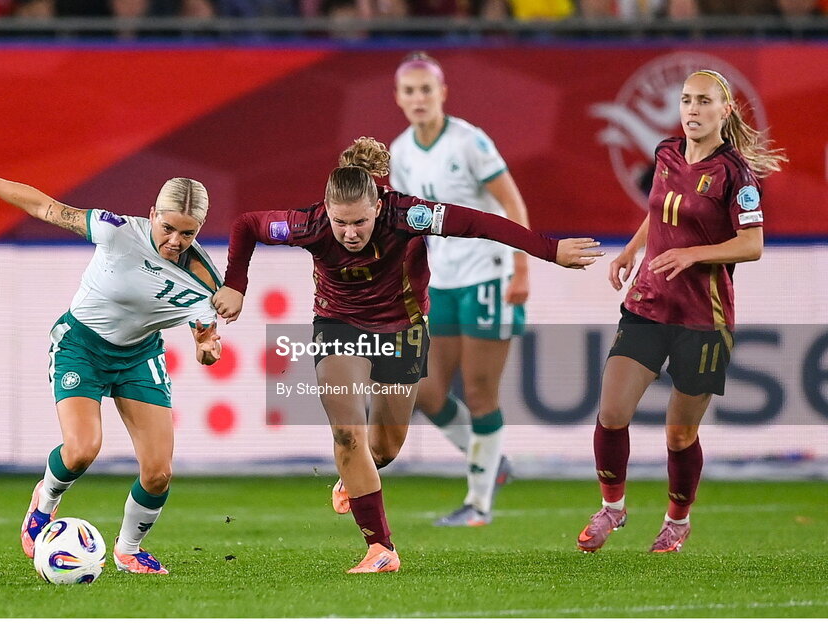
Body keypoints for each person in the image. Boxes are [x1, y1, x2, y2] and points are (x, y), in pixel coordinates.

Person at [212, 137, 601, 573]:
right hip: (338, 329)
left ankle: (355, 477)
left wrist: (548, 250)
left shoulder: (408, 214)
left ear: (378, 206)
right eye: (341, 223)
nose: (350, 233)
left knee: (384, 448)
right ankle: (381, 549)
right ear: (326, 209)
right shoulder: (307, 224)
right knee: (347, 432)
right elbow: (247, 224)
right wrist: (236, 284)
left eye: (359, 221)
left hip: (403, 332)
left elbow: (478, 224)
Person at [0, 137, 224, 574]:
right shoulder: (115, 230)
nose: (175, 240)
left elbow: (204, 334)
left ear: (199, 229)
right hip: (81, 345)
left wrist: (207, 347)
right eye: (167, 227)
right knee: (82, 449)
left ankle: (129, 549)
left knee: (158, 473)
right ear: (152, 214)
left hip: (138, 356)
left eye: (187, 232)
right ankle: (45, 500)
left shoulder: (205, 279)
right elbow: (44, 207)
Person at [576, 70, 786, 554]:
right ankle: (612, 508)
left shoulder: (736, 174)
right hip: (648, 304)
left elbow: (752, 244)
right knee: (611, 412)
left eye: (703, 101)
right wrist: (631, 252)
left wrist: (694, 253)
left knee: (679, 432)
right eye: (687, 100)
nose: (692, 109)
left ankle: (677, 520)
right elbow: (659, 211)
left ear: (724, 110)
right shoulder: (666, 153)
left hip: (703, 319)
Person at [390, 51, 529, 527]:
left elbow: (512, 204)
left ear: (442, 93)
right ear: (399, 98)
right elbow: (411, 225)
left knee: (480, 392)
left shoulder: (470, 142)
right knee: (426, 391)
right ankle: (492, 462)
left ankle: (478, 505)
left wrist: (522, 268)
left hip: (488, 274)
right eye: (410, 91)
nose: (419, 98)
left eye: (426, 89)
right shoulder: (401, 152)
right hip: (443, 282)